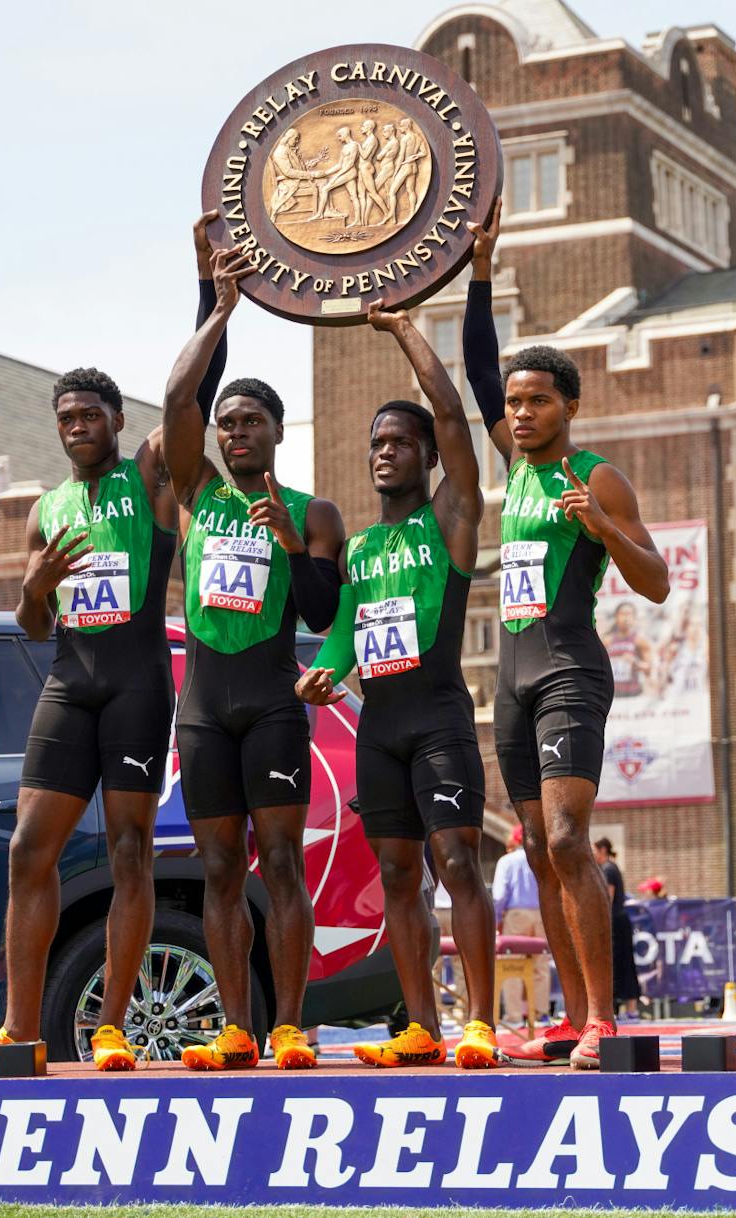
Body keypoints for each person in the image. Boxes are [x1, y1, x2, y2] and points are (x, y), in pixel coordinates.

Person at [0, 242, 253, 1074]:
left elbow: (188, 396)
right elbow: (30, 625)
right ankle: (21, 1029)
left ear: (116, 422)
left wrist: (214, 300)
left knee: (129, 850)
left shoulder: (150, 479)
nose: (76, 429)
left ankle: (111, 1025)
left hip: (136, 684)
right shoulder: (47, 508)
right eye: (65, 419)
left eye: (89, 416)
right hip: (70, 681)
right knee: (30, 849)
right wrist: (34, 585)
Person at [462, 201, 671, 1069]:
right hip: (508, 681)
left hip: (570, 670)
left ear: (569, 406)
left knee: (567, 840)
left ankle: (602, 1021)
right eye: (512, 404)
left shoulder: (595, 476)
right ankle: (570, 1016)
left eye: (537, 402)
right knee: (536, 852)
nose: (518, 414)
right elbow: (476, 372)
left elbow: (655, 581)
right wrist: (477, 274)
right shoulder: (515, 466)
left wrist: (603, 529)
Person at [295, 302, 497, 1070]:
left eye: (399, 443)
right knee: (398, 875)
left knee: (457, 862)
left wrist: (402, 328)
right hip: (379, 726)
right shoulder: (361, 545)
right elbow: (347, 627)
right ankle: (421, 1027)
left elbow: (451, 413)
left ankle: (477, 1022)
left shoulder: (450, 516)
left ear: (425, 456)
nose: (384, 453)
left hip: (440, 715)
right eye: (376, 443)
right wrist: (329, 670)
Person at [167, 219, 346, 1071]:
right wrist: (215, 301)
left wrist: (284, 542)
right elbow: (178, 406)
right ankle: (235, 1025)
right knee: (217, 870)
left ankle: (289, 1026)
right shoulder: (197, 494)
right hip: (203, 712)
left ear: (278, 433)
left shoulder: (313, 512)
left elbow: (323, 608)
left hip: (273, 705)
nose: (235, 433)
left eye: (251, 423)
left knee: (279, 863)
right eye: (228, 423)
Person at [494, 824, 548, 1025]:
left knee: (511, 965)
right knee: (540, 966)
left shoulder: (507, 861)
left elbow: (499, 895)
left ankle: (514, 1015)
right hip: (541, 913)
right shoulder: (541, 857)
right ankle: (540, 1013)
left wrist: (497, 919)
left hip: (516, 914)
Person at [595, 838, 641, 1016]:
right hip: (618, 921)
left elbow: (608, 898)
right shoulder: (610, 868)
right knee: (624, 964)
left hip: (614, 922)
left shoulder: (607, 869)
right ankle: (630, 1008)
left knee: (616, 964)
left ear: (603, 850)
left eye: (595, 850)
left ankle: (623, 1008)